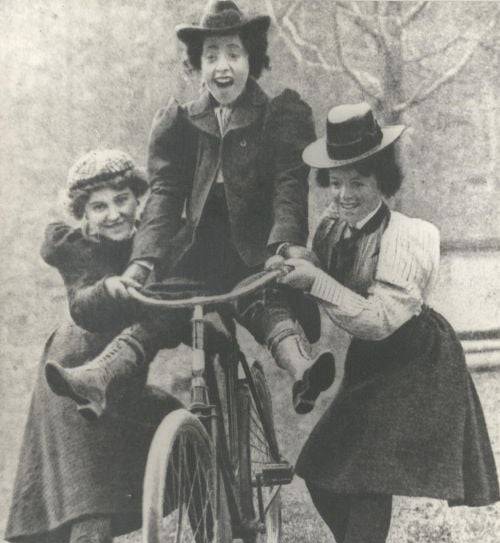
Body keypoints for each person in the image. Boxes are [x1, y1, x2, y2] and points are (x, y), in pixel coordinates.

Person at [44, 0, 335, 420]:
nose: (223, 67)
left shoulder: (279, 116)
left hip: (255, 249)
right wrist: (142, 263)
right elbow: (164, 196)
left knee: (263, 302)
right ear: (197, 64)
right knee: (160, 307)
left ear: (251, 57)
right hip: (195, 252)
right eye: (211, 56)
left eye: (233, 54)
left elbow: (289, 186)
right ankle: (97, 378)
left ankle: (302, 369)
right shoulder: (179, 123)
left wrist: (286, 244)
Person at [277, 103, 499, 543]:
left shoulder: (411, 236)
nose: (345, 193)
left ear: (383, 180)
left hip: (416, 360)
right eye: (337, 182)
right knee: (320, 470)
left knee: (368, 479)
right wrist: (296, 259)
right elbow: (325, 271)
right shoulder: (333, 228)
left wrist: (315, 283)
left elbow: (378, 320)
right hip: (370, 365)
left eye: (359, 181)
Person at [5, 149, 183, 543]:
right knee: (91, 501)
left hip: (124, 381)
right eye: (98, 207)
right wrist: (112, 286)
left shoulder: (153, 241)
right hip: (72, 374)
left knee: (181, 423)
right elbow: (85, 300)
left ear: (138, 199)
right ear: (83, 217)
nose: (113, 215)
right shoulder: (78, 250)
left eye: (121, 200)